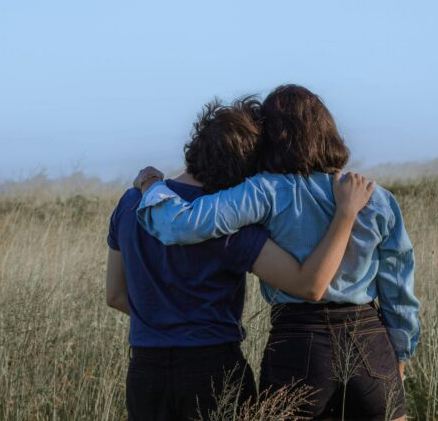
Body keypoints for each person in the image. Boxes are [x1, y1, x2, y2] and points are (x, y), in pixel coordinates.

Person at [135, 85, 420, 421]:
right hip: (372, 345)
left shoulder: (265, 190)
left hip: (300, 340)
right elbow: (399, 290)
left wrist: (152, 185)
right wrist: (399, 356)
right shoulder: (376, 197)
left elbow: (179, 225)